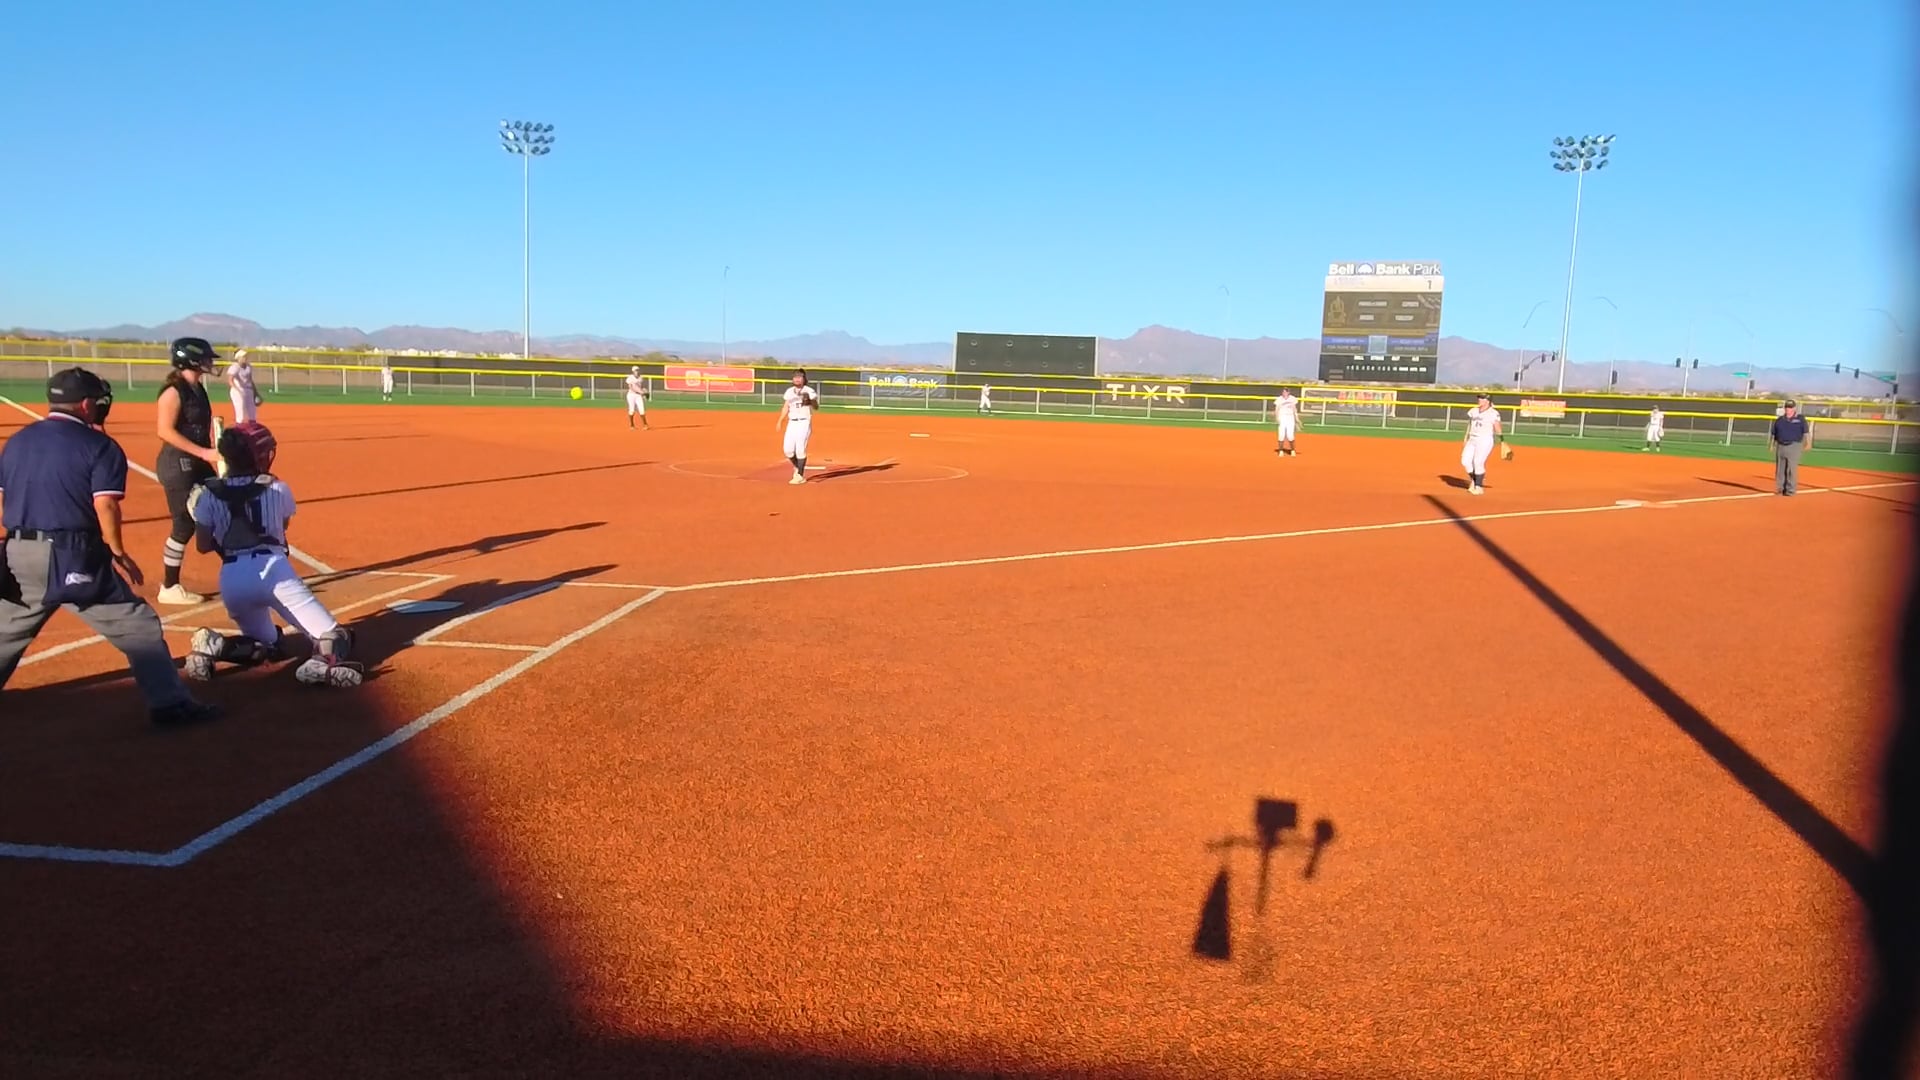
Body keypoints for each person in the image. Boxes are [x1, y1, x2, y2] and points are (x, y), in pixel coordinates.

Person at [0, 367, 219, 727]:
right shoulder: (98, 446)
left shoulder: (18, 440)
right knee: (137, 626)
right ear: (86, 404)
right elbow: (105, 505)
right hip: (70, 553)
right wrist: (117, 551)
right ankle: (170, 705)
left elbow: (6, 497)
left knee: (7, 629)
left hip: (17, 551)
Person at [183, 421, 362, 687]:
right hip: (275, 572)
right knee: (335, 635)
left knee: (267, 646)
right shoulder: (277, 488)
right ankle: (321, 662)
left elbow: (203, 545)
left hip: (232, 579)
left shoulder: (208, 495)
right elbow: (282, 525)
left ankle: (215, 646)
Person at [153, 337, 224, 605]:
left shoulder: (198, 389)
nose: (209, 363)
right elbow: (164, 431)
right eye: (205, 358)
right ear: (191, 360)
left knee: (221, 508)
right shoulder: (173, 391)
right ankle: (169, 586)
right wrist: (204, 452)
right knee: (183, 524)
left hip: (197, 461)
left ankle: (243, 572)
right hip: (178, 464)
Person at [777, 369, 820, 485]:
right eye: (795, 377)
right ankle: (797, 467)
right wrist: (780, 420)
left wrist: (810, 401)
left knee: (800, 449)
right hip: (792, 423)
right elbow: (786, 406)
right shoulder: (789, 391)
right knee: (788, 450)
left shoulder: (809, 390)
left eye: (800, 377)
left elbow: (816, 407)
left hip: (804, 422)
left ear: (804, 379)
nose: (797, 379)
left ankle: (800, 475)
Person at [1460, 392, 1503, 495]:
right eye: (1479, 398)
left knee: (1478, 462)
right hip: (1472, 439)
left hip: (1485, 439)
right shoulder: (1473, 411)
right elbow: (1470, 424)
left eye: (1482, 398)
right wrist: (1466, 437)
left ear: (1488, 401)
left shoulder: (1493, 413)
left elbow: (1497, 426)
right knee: (1465, 461)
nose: (1479, 400)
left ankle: (1478, 487)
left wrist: (1502, 440)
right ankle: (1476, 479)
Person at [1769, 398, 1812, 496]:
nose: (1788, 409)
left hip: (1794, 446)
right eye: (1787, 407)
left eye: (1790, 407)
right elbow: (1774, 434)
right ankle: (1780, 488)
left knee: (1791, 469)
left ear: (1794, 408)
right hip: (1781, 446)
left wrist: (1808, 443)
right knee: (1780, 469)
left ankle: (1790, 489)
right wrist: (1771, 445)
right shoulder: (1780, 420)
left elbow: (1806, 432)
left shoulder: (1800, 419)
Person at [225, 348, 262, 424]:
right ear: (238, 358)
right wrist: (238, 390)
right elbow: (230, 380)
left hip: (248, 390)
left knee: (252, 412)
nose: (245, 358)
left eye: (245, 356)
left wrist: (256, 393)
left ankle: (252, 428)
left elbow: (250, 380)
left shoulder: (248, 366)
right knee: (240, 413)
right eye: (243, 356)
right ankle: (238, 428)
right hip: (238, 390)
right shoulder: (235, 367)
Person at [1274, 387, 1301, 457]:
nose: (1284, 393)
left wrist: (1297, 419)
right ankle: (1281, 450)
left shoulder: (1292, 398)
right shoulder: (1279, 399)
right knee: (1281, 435)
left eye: (1285, 392)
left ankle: (1292, 450)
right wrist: (1277, 418)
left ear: (1288, 392)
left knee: (1290, 435)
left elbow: (1294, 409)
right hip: (1282, 417)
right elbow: (1277, 409)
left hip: (1290, 417)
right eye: (1283, 392)